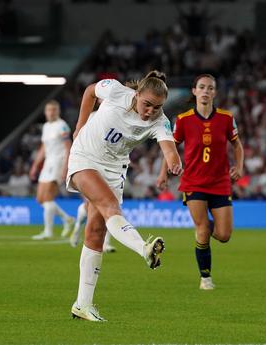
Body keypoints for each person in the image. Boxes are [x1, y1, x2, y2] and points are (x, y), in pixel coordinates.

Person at [66, 71, 183, 322]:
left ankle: (82, 305)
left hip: (114, 170)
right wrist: (80, 125)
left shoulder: (160, 121)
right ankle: (144, 249)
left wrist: (174, 163)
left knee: (96, 233)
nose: (151, 110)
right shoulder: (116, 91)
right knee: (110, 207)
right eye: (147, 104)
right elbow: (89, 91)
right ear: (137, 94)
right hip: (85, 156)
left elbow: (169, 149)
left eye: (157, 106)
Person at [161, 74, 243, 290]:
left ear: (214, 93)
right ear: (195, 91)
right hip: (193, 182)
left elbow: (237, 145)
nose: (206, 91)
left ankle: (205, 229)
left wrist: (239, 166)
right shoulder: (184, 120)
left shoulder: (226, 118)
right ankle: (205, 278)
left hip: (220, 182)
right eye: (202, 87)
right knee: (202, 228)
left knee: (224, 235)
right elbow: (170, 147)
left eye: (210, 88)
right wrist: (163, 174)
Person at [29, 100, 75, 240]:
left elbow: (69, 147)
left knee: (48, 198)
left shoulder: (62, 126)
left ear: (58, 111)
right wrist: (35, 165)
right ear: (45, 112)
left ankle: (48, 231)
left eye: (54, 110)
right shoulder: (46, 126)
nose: (51, 112)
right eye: (49, 110)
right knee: (40, 199)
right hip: (48, 162)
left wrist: (65, 168)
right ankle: (67, 219)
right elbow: (44, 148)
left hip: (58, 162)